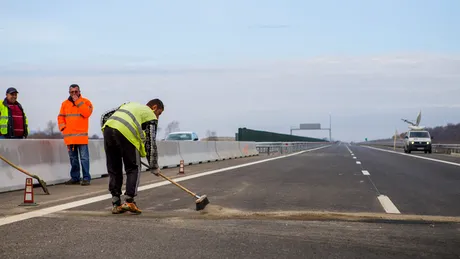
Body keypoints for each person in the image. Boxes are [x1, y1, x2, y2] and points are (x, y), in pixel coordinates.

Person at [100, 99, 164, 214]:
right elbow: (150, 143)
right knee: (133, 167)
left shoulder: (129, 105)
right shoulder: (150, 115)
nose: (158, 118)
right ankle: (129, 200)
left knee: (114, 168)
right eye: (159, 113)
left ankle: (116, 203)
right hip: (126, 134)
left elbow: (104, 116)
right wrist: (153, 166)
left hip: (108, 130)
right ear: (154, 107)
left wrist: (109, 134)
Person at [57, 84, 93, 186]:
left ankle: (86, 178)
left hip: (81, 137)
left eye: (76, 91)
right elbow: (60, 117)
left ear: (79, 91)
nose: (74, 94)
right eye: (72, 92)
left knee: (84, 158)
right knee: (73, 159)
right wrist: (63, 128)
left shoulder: (86, 102)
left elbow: (86, 113)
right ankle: (75, 178)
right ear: (69, 93)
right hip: (70, 138)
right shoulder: (65, 104)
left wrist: (77, 101)